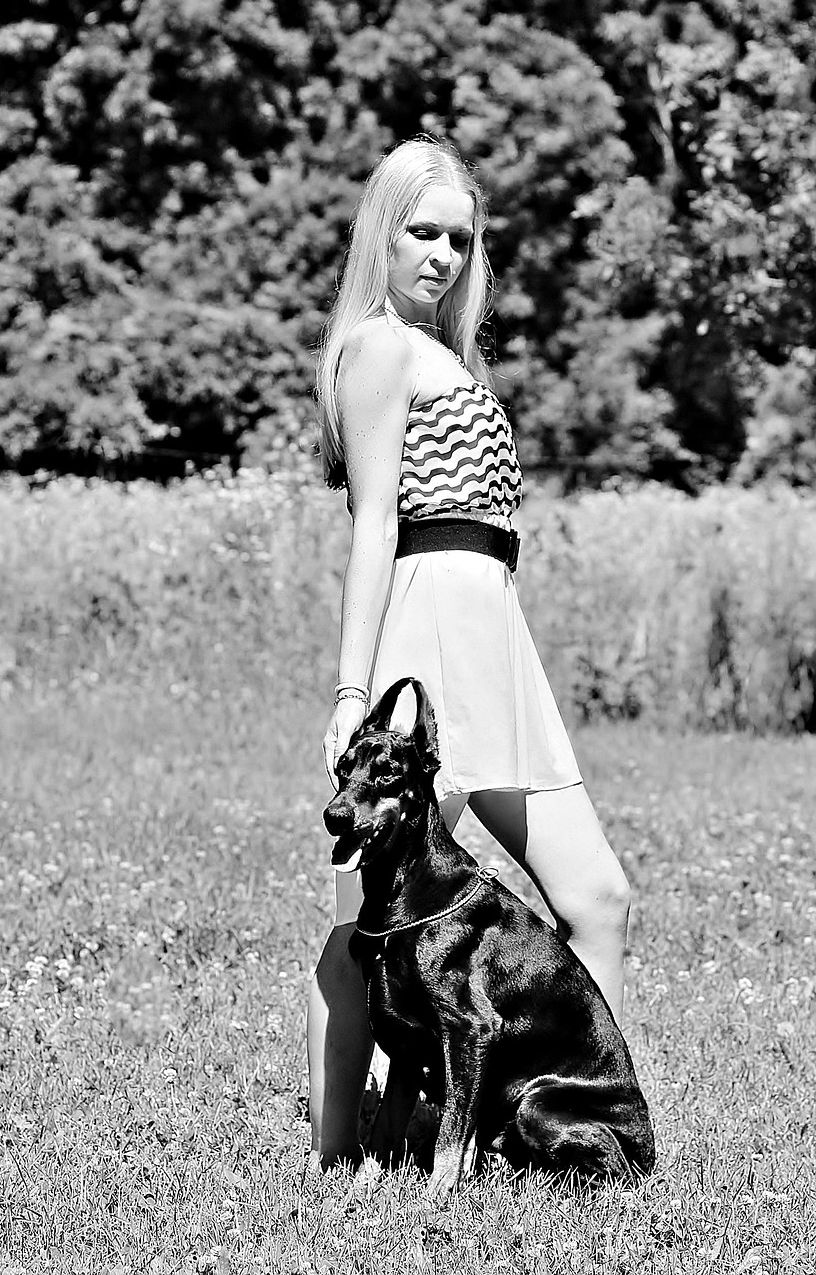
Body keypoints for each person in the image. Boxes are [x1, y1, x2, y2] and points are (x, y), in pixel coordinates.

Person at [307, 136, 631, 1170]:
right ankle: (335, 1153)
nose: (442, 255)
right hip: (426, 622)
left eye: (459, 237)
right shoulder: (378, 348)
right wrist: (353, 691)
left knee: (597, 897)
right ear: (382, 233)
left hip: (493, 625)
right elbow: (374, 525)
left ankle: (567, 1126)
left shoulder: (447, 353)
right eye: (422, 232)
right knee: (368, 924)